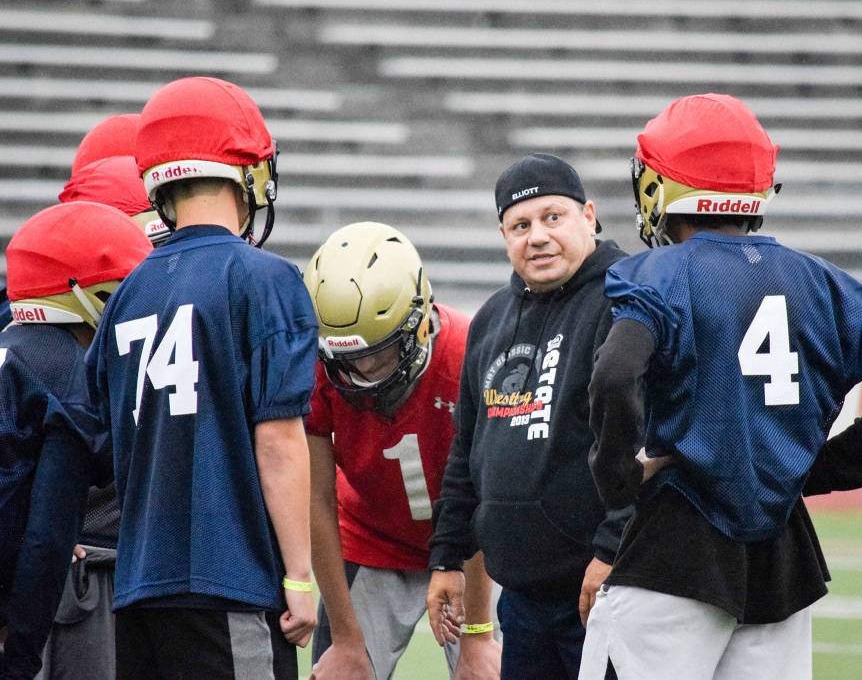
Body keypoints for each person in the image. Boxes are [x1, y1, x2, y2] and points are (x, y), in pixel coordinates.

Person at [579, 93, 862, 680]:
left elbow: (614, 373)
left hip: (673, 546)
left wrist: (620, 480)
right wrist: (816, 468)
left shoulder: (660, 273)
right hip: (783, 557)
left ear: (663, 184)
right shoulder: (826, 282)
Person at [86, 76, 317, 678]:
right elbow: (279, 442)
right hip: (230, 580)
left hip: (138, 586)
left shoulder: (127, 292)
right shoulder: (266, 279)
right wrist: (298, 573)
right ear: (249, 173)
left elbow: (106, 444)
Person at [427, 153, 630, 680]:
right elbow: (466, 449)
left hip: (602, 592)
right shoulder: (492, 318)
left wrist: (611, 551)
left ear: (589, 215)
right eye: (520, 225)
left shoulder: (626, 301)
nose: (537, 236)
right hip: (520, 600)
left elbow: (642, 443)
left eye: (552, 218)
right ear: (503, 236)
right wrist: (448, 556)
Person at [303, 221, 501, 680]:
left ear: (418, 321)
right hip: (371, 538)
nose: (365, 370)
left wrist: (477, 634)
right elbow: (316, 498)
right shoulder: (316, 362)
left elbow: (485, 494)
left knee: (492, 669)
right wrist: (348, 640)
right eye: (347, 360)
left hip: (470, 545)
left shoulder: (468, 352)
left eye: (380, 352)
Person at [0, 201, 151, 679]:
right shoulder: (67, 379)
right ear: (83, 292)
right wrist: (20, 658)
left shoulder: (11, 344)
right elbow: (47, 537)